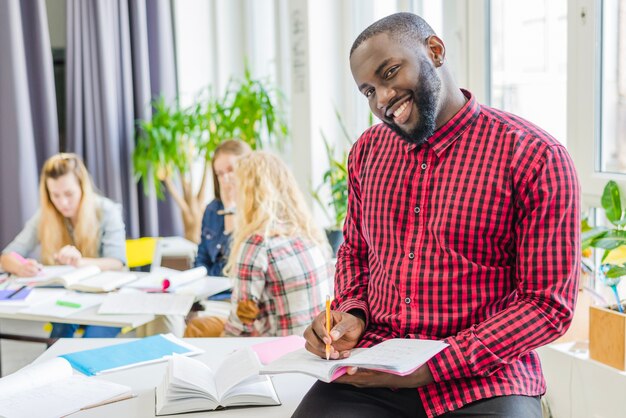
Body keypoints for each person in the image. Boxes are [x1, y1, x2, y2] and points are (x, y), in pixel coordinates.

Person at [294, 12, 580, 418]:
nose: (381, 99)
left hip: (487, 379)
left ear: (435, 51)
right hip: (376, 369)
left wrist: (434, 366)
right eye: (368, 91)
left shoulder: (535, 156)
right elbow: (356, 253)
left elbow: (547, 305)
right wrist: (351, 314)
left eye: (390, 73)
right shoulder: (367, 153)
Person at [184, 151, 332, 338]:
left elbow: (240, 327)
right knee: (203, 325)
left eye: (235, 184)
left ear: (249, 193)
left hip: (277, 351)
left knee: (196, 329)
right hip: (313, 344)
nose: (230, 188)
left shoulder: (257, 245)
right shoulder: (308, 233)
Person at [0, 153, 126, 338]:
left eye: (69, 194)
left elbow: (117, 262)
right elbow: (7, 256)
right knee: (59, 332)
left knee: (91, 342)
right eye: (55, 195)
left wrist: (80, 262)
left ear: (82, 187)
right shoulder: (45, 214)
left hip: (108, 299)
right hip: (69, 298)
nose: (63, 203)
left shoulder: (107, 211)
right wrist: (21, 267)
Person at [194, 139, 251, 276]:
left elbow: (232, 267)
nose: (225, 178)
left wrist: (229, 209)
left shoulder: (256, 210)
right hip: (211, 288)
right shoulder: (212, 210)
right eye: (219, 173)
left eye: (231, 170)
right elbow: (202, 259)